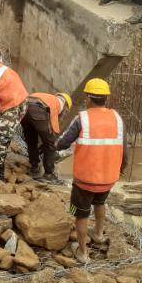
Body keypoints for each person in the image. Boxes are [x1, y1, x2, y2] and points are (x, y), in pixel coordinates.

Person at [55, 78, 126, 263]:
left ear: (88, 97)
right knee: (100, 203)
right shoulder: (117, 119)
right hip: (108, 178)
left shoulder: (83, 118)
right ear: (106, 98)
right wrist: (121, 170)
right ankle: (98, 235)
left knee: (80, 213)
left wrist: (51, 147)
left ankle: (82, 252)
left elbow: (63, 142)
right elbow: (125, 149)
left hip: (84, 180)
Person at [22, 91, 72, 184]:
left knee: (31, 141)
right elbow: (55, 129)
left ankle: (34, 168)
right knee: (50, 144)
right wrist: (52, 141)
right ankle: (49, 174)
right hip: (37, 109)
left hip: (23, 108)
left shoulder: (48, 98)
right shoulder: (60, 104)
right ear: (66, 105)